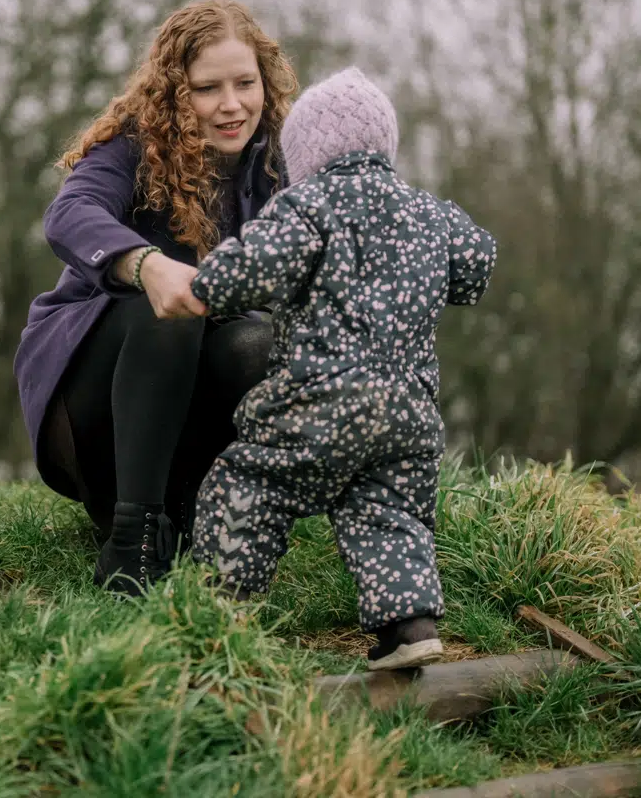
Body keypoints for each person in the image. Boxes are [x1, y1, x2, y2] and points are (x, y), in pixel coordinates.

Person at [186, 65, 497, 670]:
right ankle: (410, 628)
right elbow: (477, 263)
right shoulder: (428, 213)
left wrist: (206, 281)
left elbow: (255, 265)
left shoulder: (308, 206)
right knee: (387, 510)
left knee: (252, 482)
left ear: (307, 155)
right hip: (407, 413)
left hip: (318, 402)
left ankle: (217, 610)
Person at [13, 0, 299, 596]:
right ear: (175, 92)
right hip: (90, 414)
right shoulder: (133, 147)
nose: (231, 104)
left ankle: (208, 515)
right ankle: (131, 542)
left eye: (245, 83)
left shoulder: (278, 165)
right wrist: (145, 265)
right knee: (171, 310)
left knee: (258, 343)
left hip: (187, 405)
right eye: (207, 88)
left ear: (265, 82)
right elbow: (69, 213)